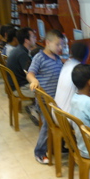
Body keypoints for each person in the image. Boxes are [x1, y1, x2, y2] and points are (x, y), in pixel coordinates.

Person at [27, 29, 64, 164]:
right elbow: (30, 73)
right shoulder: (40, 57)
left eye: (62, 45)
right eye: (58, 45)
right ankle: (40, 152)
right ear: (47, 43)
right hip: (44, 101)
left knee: (62, 120)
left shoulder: (58, 58)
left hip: (55, 100)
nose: (61, 48)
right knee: (48, 125)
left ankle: (60, 145)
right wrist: (34, 80)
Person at [55, 42, 90, 113]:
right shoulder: (79, 70)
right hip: (69, 117)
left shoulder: (67, 63)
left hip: (58, 113)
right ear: (87, 55)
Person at [7, 27, 36, 98]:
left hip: (18, 85)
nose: (35, 38)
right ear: (26, 40)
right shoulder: (22, 54)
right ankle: (37, 108)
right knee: (47, 90)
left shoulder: (18, 49)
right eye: (33, 37)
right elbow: (30, 73)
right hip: (21, 88)